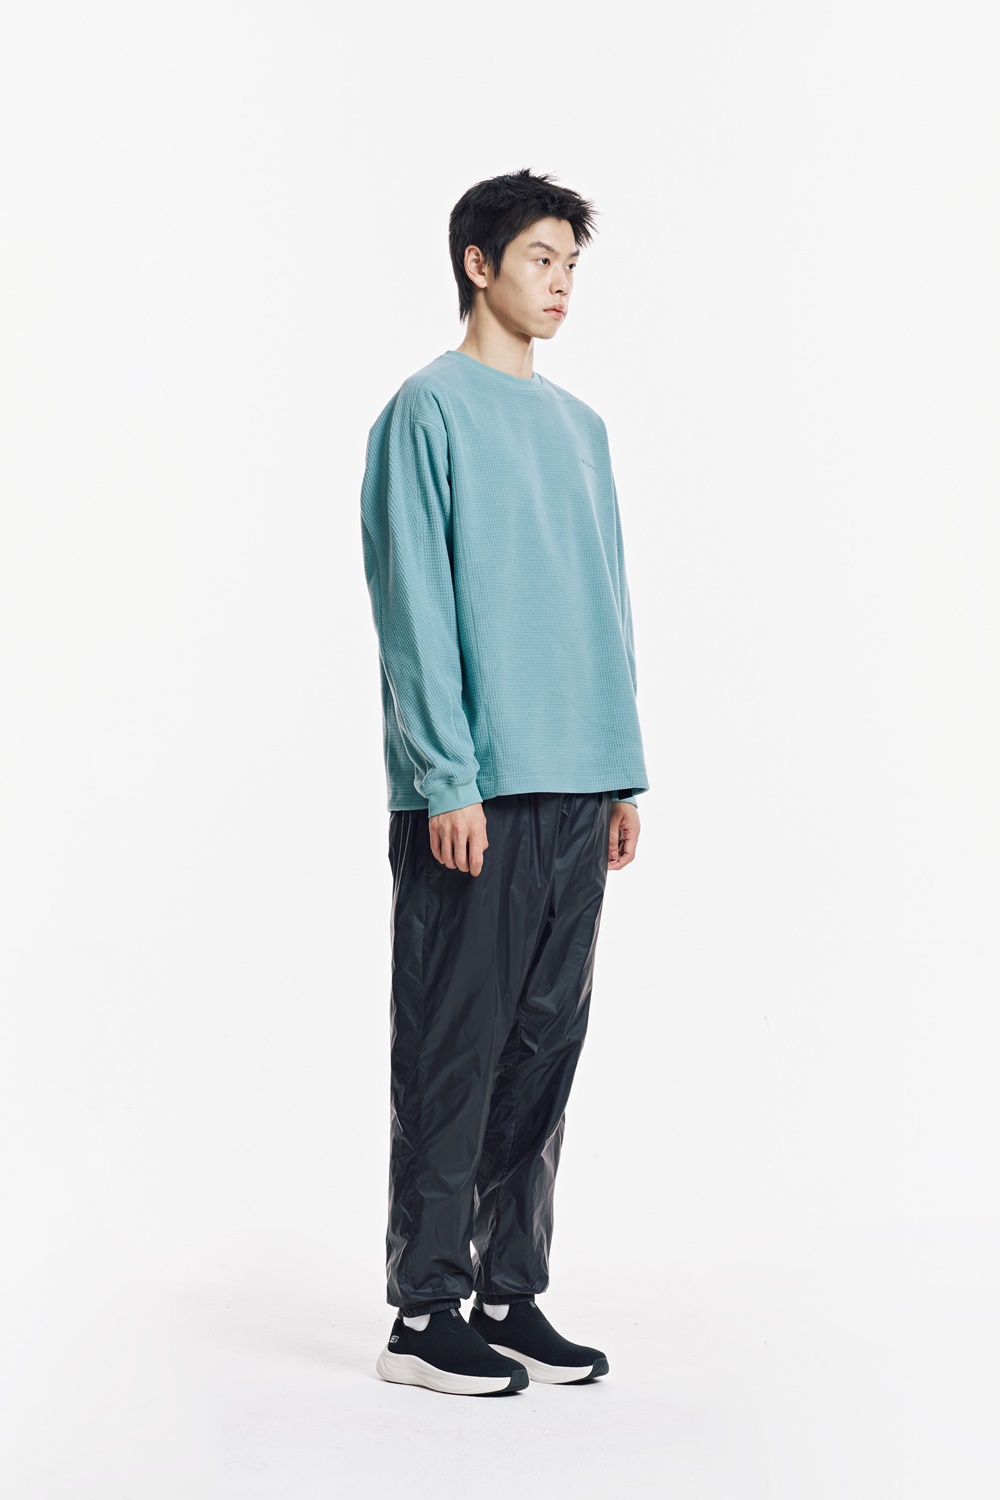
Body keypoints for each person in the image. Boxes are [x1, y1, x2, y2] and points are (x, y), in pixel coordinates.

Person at [359, 168, 649, 1397]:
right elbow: (414, 610)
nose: (562, 283)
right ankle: (422, 1313)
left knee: (542, 1048)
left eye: (571, 264)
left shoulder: (582, 430)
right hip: (476, 790)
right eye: (540, 258)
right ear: (478, 265)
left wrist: (622, 771)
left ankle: (507, 1289)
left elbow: (603, 599)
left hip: (579, 780)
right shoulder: (424, 412)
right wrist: (446, 778)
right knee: (454, 1047)